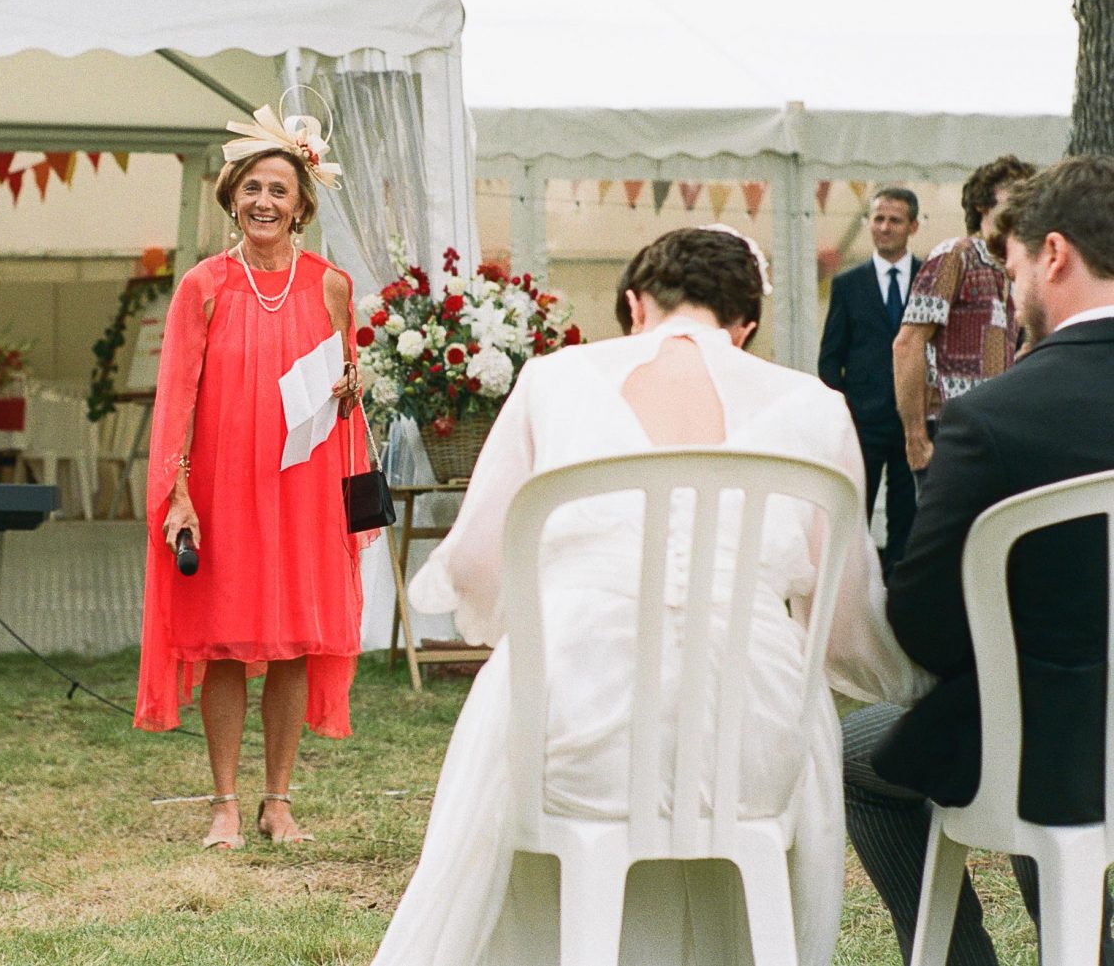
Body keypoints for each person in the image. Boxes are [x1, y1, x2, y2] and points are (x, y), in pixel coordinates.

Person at [371, 227, 929, 965]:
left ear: (635, 305)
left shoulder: (554, 379)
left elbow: (475, 567)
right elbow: (845, 624)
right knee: (782, 710)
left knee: (518, 701)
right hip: (754, 744)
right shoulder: (817, 407)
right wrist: (913, 679)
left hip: (575, 734)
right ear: (746, 324)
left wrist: (543, 630)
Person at [843, 156, 1114, 964]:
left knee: (858, 754)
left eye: (1016, 263)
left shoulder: (997, 415)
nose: (1011, 284)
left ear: (1054, 253)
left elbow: (923, 624)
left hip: (1055, 748)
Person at [134, 104, 371, 850]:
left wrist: (353, 387)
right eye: (251, 188)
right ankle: (225, 804)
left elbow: (345, 392)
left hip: (304, 487)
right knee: (226, 641)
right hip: (224, 486)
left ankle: (278, 800)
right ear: (232, 198)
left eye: (278, 190)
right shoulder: (203, 285)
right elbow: (176, 398)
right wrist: (178, 492)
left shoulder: (333, 286)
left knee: (297, 639)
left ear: (301, 206)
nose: (263, 201)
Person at [895, 156, 1036, 481]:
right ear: (982, 204)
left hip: (995, 428)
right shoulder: (955, 255)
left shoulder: (1012, 268)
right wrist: (916, 438)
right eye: (1015, 194)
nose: (1025, 203)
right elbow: (907, 343)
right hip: (951, 428)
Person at [820, 187, 923, 567]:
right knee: (854, 508)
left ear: (912, 226)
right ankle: (852, 583)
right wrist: (845, 411)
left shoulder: (930, 279)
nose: (884, 227)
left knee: (908, 515)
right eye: (878, 218)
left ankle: (900, 588)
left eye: (894, 220)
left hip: (915, 421)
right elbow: (830, 358)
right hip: (864, 421)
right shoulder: (848, 284)